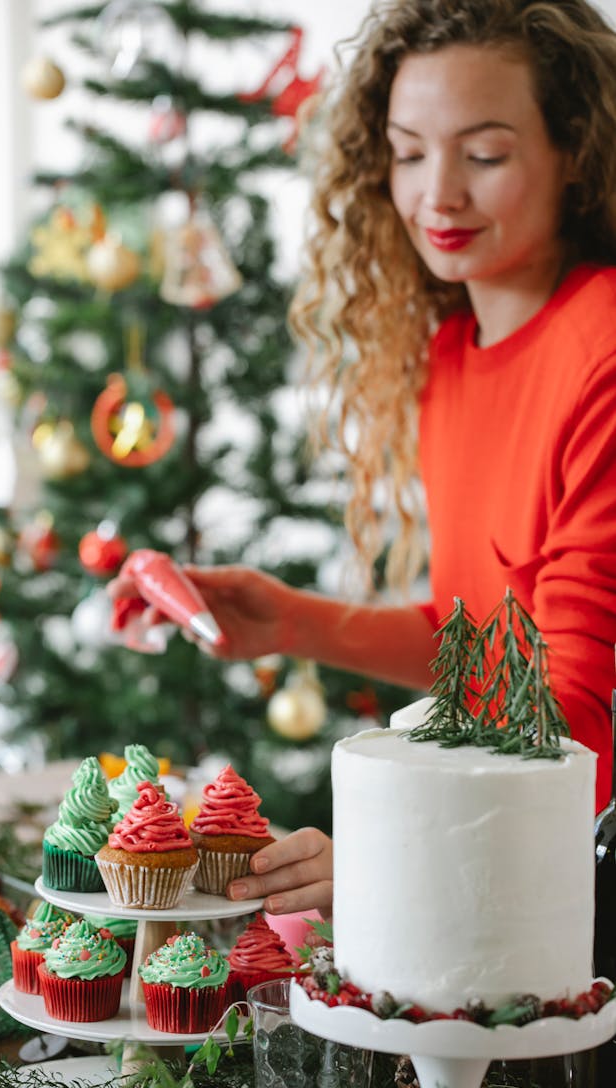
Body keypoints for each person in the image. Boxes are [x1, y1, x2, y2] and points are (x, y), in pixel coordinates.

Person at [111, 0, 616, 919]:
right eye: (409, 151)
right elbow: (493, 655)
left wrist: (396, 852)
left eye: (487, 153)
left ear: (575, 151)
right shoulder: (453, 360)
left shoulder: (604, 351)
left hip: (571, 889)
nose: (438, 196)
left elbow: (571, 715)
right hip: (508, 864)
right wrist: (288, 621)